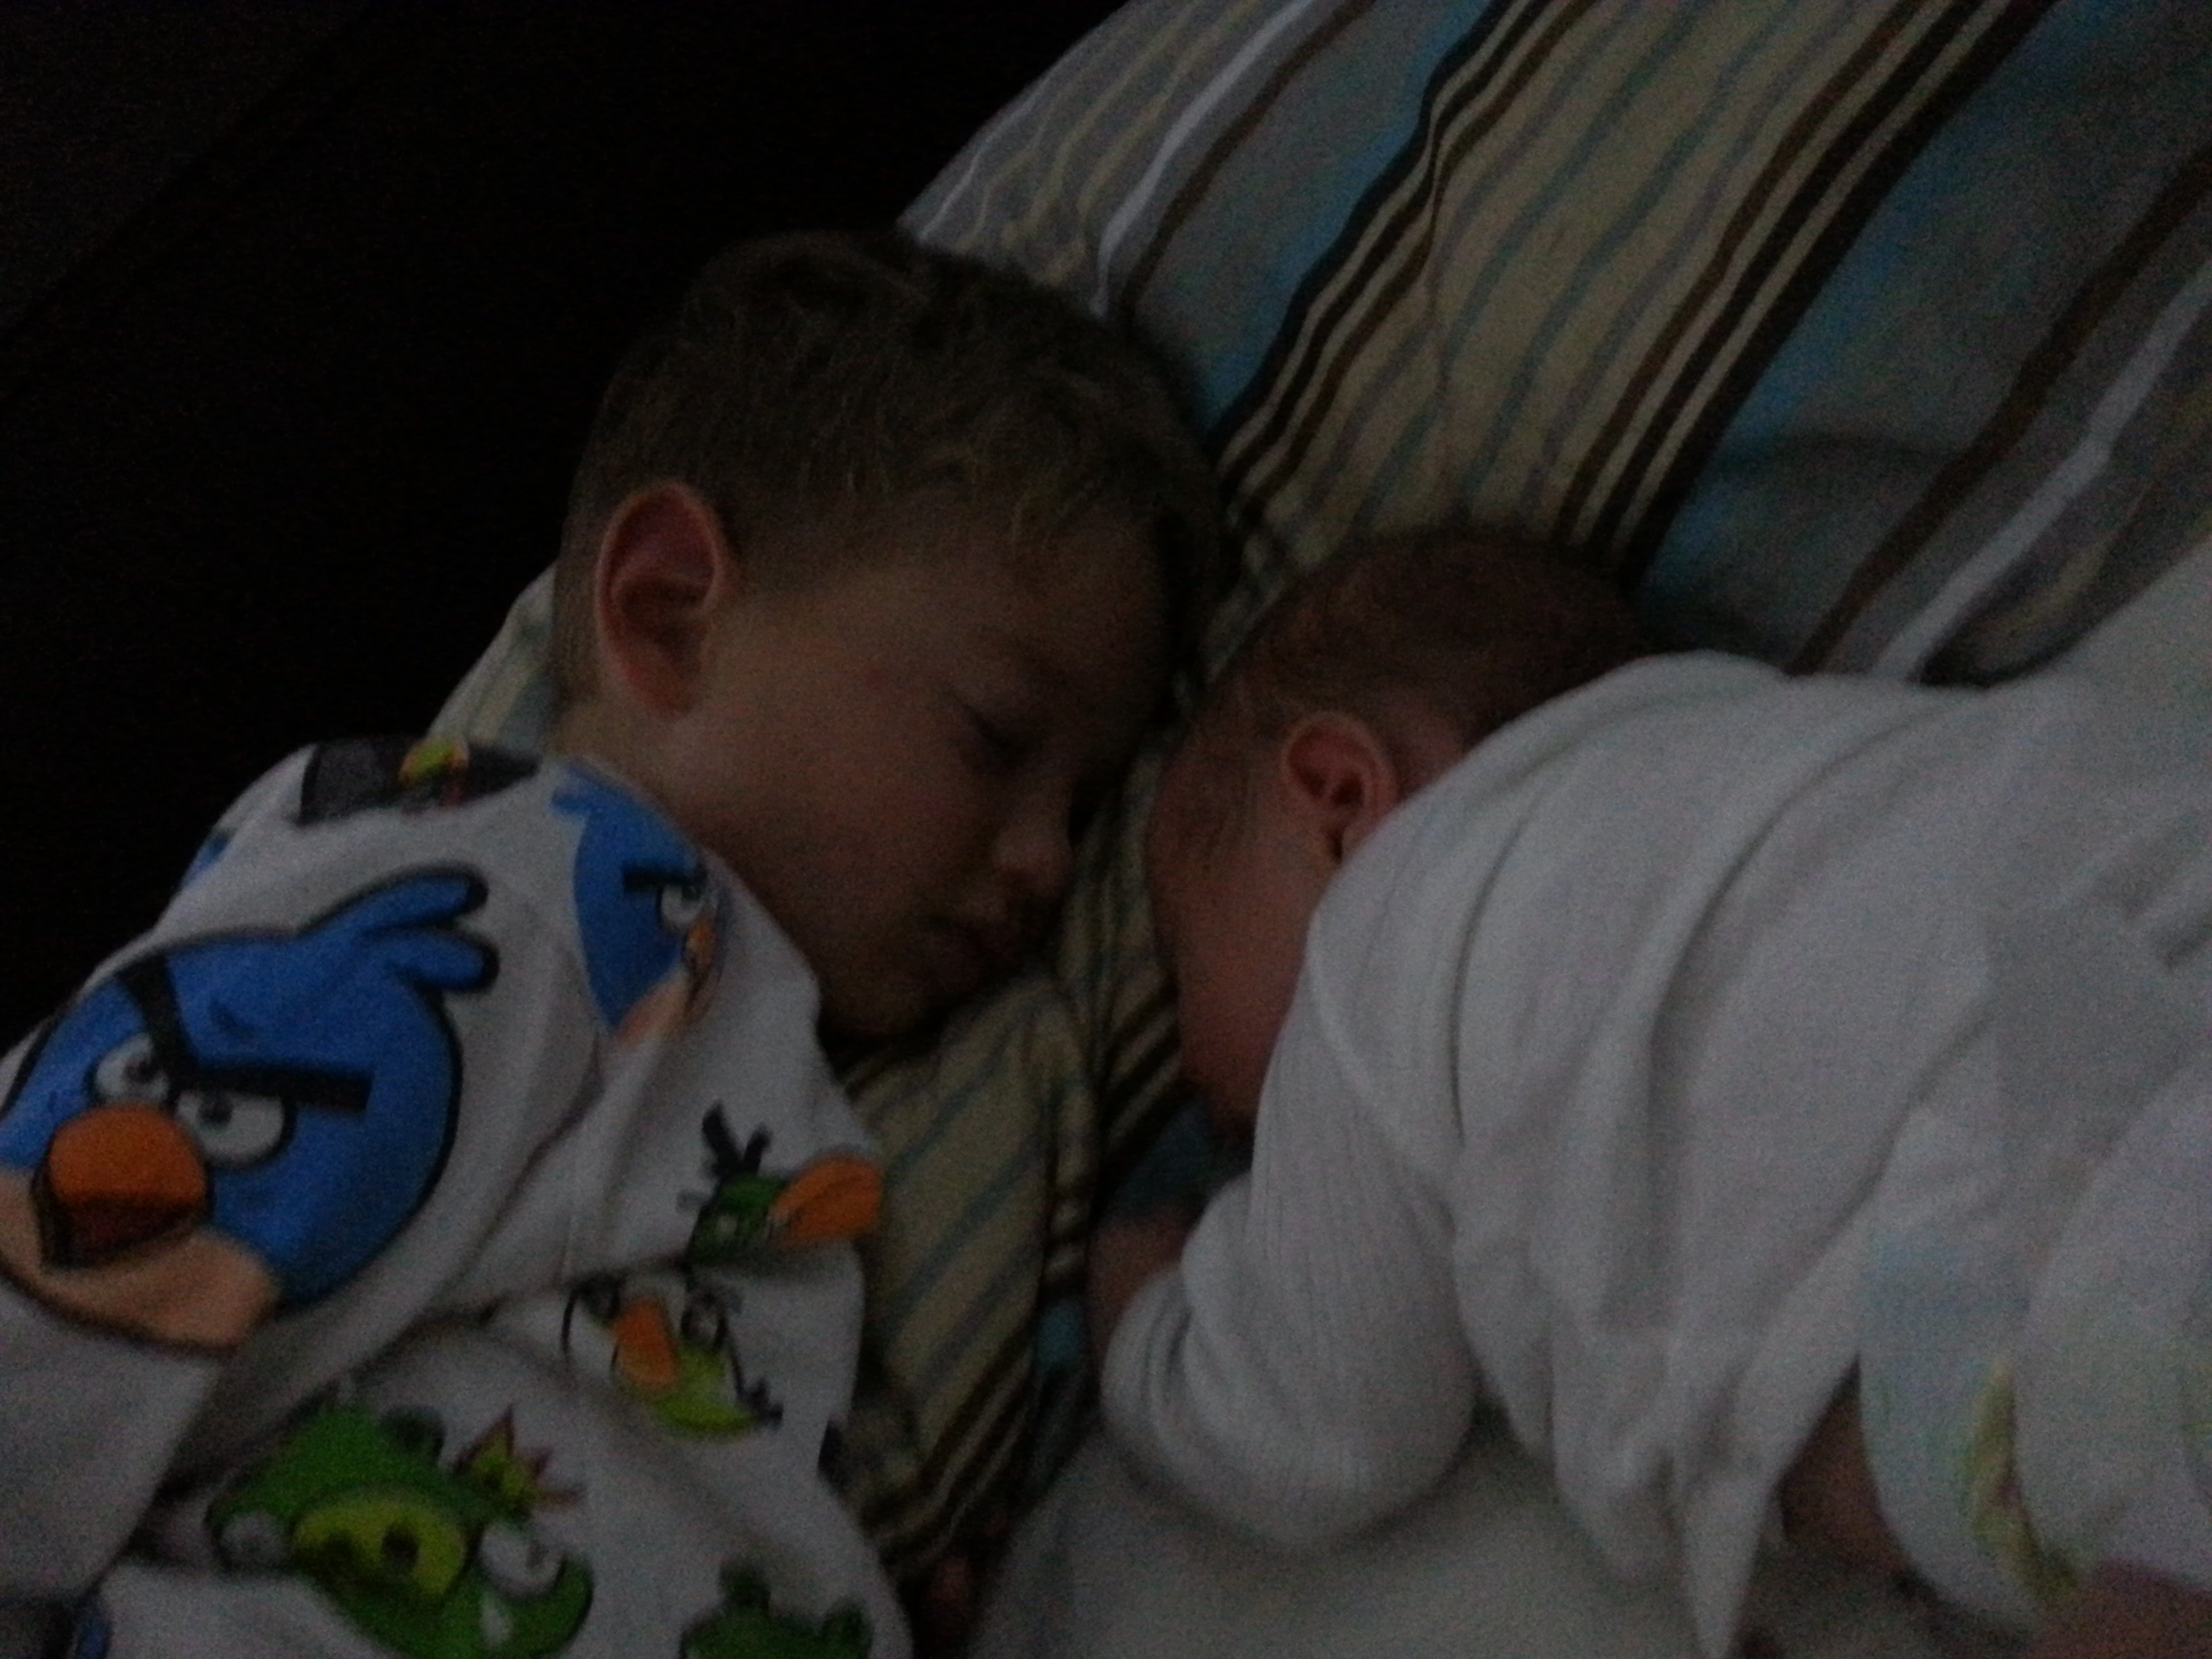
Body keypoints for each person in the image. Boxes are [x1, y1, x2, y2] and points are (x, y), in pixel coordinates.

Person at [0, 228, 1218, 1659]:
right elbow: (74, 1268)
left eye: (1085, 803)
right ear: (671, 614)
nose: (1050, 861)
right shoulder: (512, 892)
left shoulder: (715, 1026)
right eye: (996, 739)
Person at [1092, 528, 2212, 1659]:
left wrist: (1145, 1331)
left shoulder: (1374, 949)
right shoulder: (1780, 733)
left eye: (1184, 963)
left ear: (1337, 800)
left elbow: (1314, 1426)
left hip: (2053, 1228)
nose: (1191, 1082)